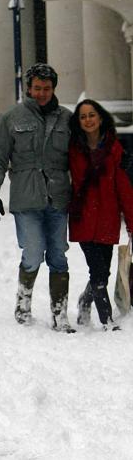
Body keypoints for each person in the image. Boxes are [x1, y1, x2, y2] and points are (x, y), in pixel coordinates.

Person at [0, 63, 74, 330]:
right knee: (33, 251)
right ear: (28, 88)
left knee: (58, 254)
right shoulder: (11, 118)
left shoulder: (67, 119)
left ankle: (60, 313)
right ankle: (23, 303)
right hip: (26, 197)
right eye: (37, 88)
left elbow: (79, 159)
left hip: (57, 196)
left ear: (54, 88)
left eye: (47, 88)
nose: (42, 93)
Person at [68, 99, 133, 331]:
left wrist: (131, 221)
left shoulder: (116, 150)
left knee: (102, 272)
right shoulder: (72, 149)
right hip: (83, 219)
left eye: (92, 115)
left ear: (101, 117)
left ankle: (84, 301)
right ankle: (107, 320)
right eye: (83, 116)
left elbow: (124, 188)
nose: (88, 120)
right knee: (97, 271)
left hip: (107, 219)